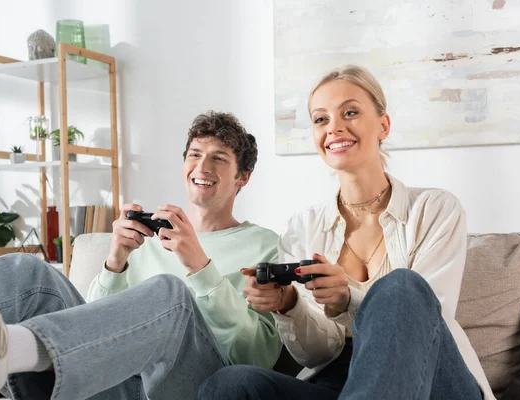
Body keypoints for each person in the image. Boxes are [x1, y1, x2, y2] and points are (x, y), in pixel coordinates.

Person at [198, 65, 495, 400]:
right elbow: (317, 355)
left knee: (401, 286)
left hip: (433, 380)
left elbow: (426, 322)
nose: (334, 127)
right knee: (230, 385)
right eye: (320, 119)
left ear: (383, 125)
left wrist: (347, 299)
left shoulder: (436, 209)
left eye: (350, 112)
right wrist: (290, 304)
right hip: (341, 381)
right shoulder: (302, 227)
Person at [0, 111, 284, 400]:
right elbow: (89, 321)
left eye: (219, 158)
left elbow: (258, 357)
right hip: (119, 385)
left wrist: (200, 266)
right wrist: (115, 262)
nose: (202, 166)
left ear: (243, 177)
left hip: (192, 384)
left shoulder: (264, 245)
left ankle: (3, 350)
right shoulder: (150, 239)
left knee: (170, 293)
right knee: (27, 271)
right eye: (194, 154)